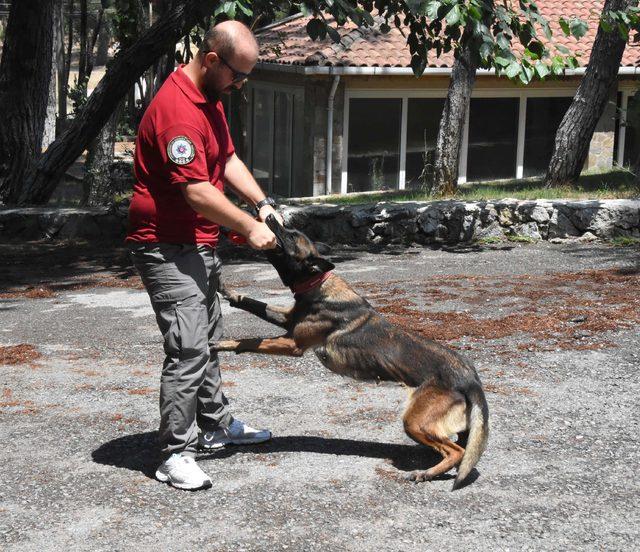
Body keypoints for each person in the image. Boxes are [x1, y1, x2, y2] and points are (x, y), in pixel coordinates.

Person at [126, 21, 280, 491]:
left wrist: (262, 203)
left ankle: (215, 426)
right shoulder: (176, 110)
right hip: (165, 246)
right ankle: (174, 453)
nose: (240, 85)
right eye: (238, 75)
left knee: (208, 338)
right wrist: (249, 228)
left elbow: (226, 160)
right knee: (189, 346)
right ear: (212, 60)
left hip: (198, 243)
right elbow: (196, 191)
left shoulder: (209, 100)